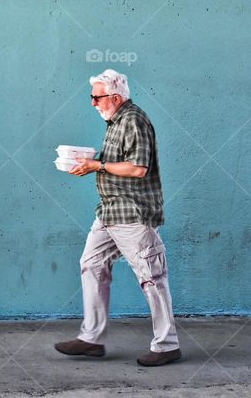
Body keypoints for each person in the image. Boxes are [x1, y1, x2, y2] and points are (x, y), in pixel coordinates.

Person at [54, 69, 182, 366]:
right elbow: (115, 162)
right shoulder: (115, 122)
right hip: (110, 211)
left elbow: (138, 168)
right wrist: (87, 162)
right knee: (92, 264)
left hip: (132, 213)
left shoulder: (134, 120)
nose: (93, 103)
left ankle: (167, 345)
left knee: (152, 277)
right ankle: (91, 340)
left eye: (96, 97)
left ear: (115, 97)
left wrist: (97, 165)